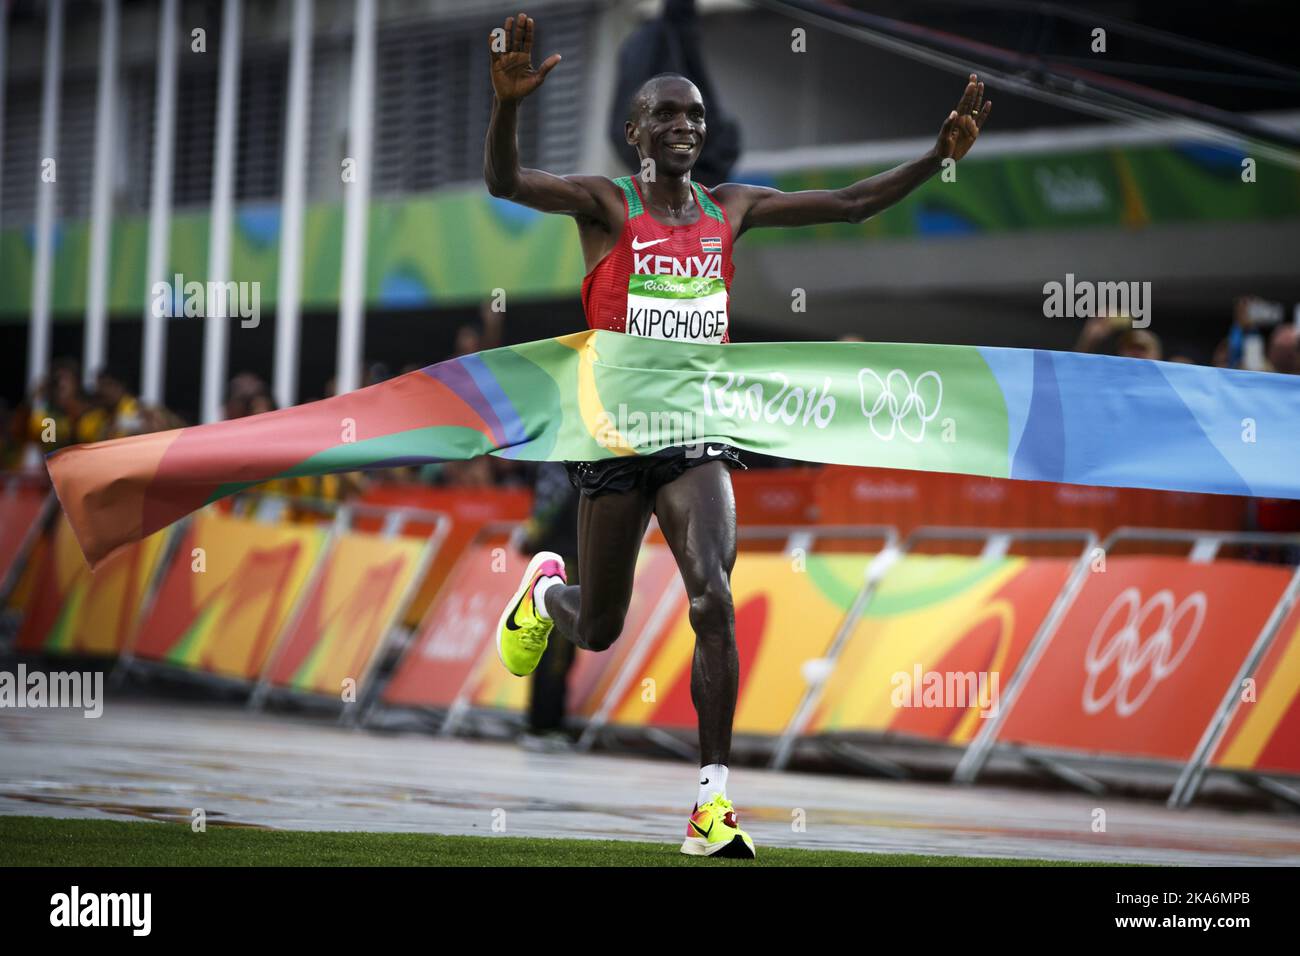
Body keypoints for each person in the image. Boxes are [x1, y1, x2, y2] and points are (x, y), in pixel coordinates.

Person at [484, 11, 990, 858]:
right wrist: (505, 109)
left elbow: (855, 204)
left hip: (696, 435)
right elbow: (505, 185)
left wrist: (937, 158)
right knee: (599, 627)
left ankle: (710, 808)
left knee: (712, 599)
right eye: (669, 115)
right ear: (635, 131)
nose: (686, 126)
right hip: (612, 440)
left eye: (696, 117)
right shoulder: (606, 205)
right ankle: (545, 595)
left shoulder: (735, 208)